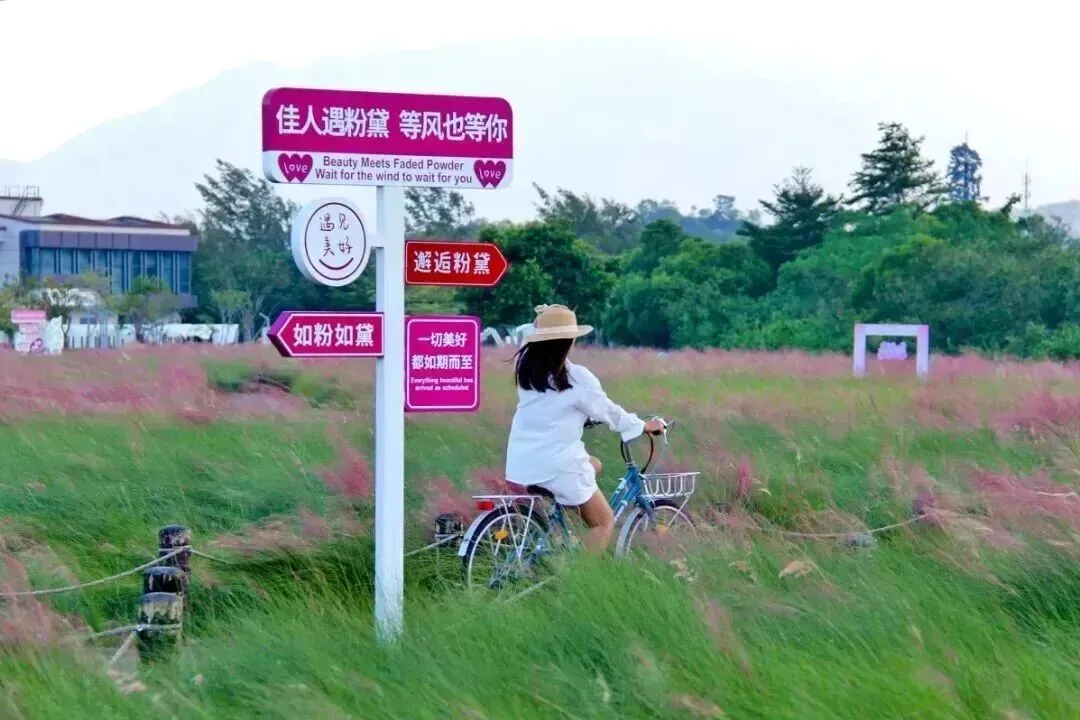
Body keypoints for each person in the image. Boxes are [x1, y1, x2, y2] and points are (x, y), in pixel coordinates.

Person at [504, 304, 665, 553]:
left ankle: (558, 534)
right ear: (569, 341)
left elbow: (551, 407)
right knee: (603, 522)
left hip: (521, 463)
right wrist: (643, 425)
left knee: (594, 464)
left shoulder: (526, 368)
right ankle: (579, 575)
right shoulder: (576, 377)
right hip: (556, 465)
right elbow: (609, 412)